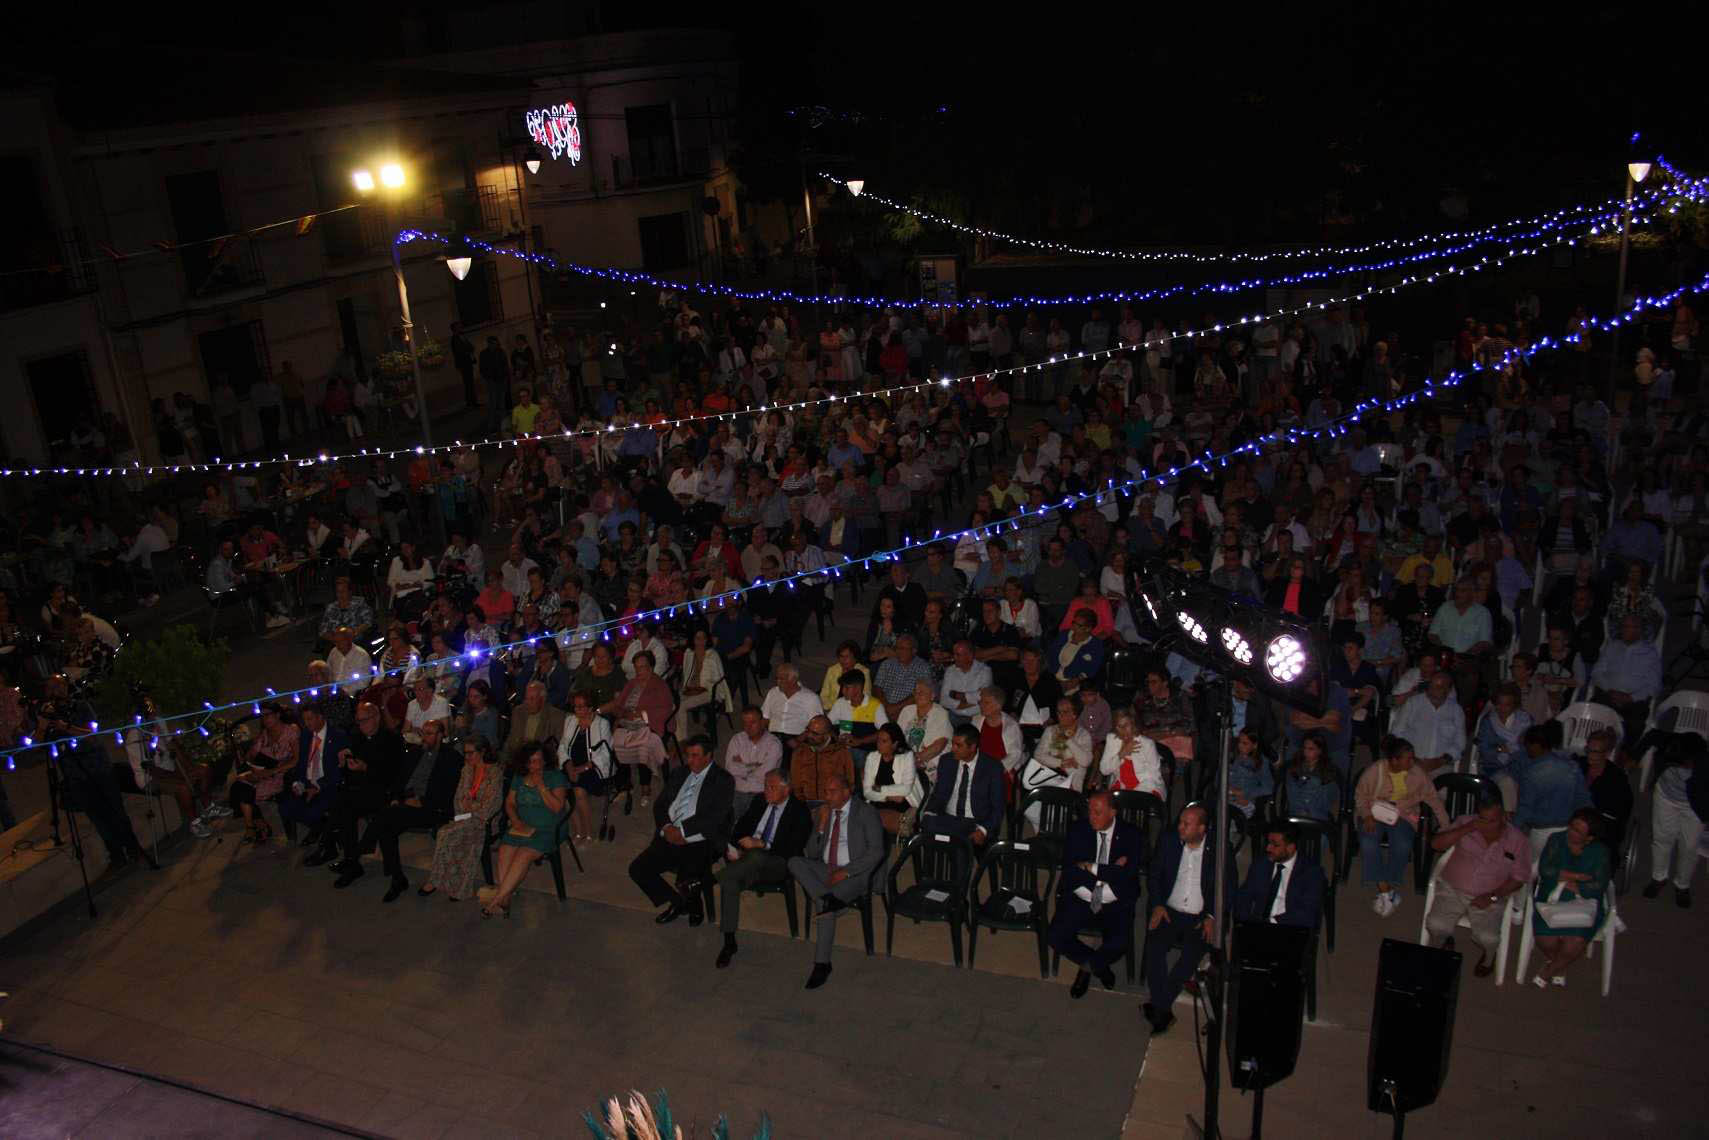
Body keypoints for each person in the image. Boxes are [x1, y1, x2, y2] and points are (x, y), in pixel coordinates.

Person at [787, 771, 884, 989]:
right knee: (795, 862)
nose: (827, 797)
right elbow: (811, 853)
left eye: (832, 792)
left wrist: (847, 871)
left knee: (824, 906)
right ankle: (829, 901)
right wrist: (820, 826)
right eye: (825, 792)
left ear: (847, 792)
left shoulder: (865, 812)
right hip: (825, 868)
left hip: (855, 874)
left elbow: (876, 852)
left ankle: (822, 963)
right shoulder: (825, 812)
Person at [628, 735, 735, 926]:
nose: (690, 760)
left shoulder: (723, 780)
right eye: (688, 755)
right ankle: (678, 902)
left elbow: (715, 817)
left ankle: (694, 905)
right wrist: (668, 827)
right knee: (638, 869)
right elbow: (660, 805)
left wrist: (683, 831)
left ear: (708, 756)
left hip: (701, 839)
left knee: (685, 880)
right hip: (670, 832)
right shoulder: (679, 773)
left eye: (695, 756)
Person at [1423, 796, 1533, 977]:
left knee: (1489, 938)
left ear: (1504, 816)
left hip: (1490, 895)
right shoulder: (1465, 822)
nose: (1488, 825)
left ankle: (1489, 957)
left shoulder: (1517, 840)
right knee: (1436, 925)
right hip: (1453, 888)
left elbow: (1520, 877)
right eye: (1483, 819)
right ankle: (1445, 941)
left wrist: (1493, 896)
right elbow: (1436, 844)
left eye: (1493, 820)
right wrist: (1467, 828)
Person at [1049, 790, 1143, 998]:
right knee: (1055, 935)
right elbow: (1071, 871)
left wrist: (1091, 868)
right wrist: (1111, 872)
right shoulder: (1078, 830)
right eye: (1090, 811)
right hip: (1082, 896)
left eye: (1097, 812)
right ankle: (1099, 967)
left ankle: (1086, 969)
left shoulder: (1131, 835)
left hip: (1115, 900)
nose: (1091, 817)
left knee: (1119, 943)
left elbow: (1127, 875)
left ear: (1113, 812)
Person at [715, 768, 812, 969]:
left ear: (787, 790)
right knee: (731, 880)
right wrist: (739, 849)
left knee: (757, 855)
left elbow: (794, 847)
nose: (766, 791)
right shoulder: (759, 802)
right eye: (765, 786)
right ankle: (729, 941)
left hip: (778, 862)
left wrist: (762, 845)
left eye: (772, 787)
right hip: (748, 861)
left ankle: (708, 881)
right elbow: (739, 829)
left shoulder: (800, 810)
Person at [1142, 804, 1225, 1036]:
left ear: (1201, 828)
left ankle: (1158, 1006)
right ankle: (1162, 1007)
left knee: (1190, 956)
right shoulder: (1169, 841)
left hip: (1200, 917)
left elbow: (1227, 888)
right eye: (1180, 822)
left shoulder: (1217, 850)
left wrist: (1212, 916)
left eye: (1186, 824)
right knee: (1155, 946)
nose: (1180, 827)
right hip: (1170, 910)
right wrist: (1158, 904)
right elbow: (1155, 874)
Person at [360, 718, 464, 902]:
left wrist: (422, 802)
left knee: (385, 819)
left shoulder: (451, 758)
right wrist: (396, 798)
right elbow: (400, 779)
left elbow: (447, 791)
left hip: (431, 808)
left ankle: (365, 849)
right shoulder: (415, 753)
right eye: (423, 733)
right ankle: (397, 878)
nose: (425, 737)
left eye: (430, 733)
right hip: (405, 803)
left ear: (441, 736)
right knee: (387, 824)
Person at [311, 700, 407, 889]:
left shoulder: (391, 739)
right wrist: (346, 760)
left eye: (364, 720)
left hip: (381, 791)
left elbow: (393, 774)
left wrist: (366, 767)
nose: (361, 725)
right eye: (358, 721)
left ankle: (348, 857)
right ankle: (349, 858)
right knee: (342, 806)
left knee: (345, 808)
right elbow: (352, 763)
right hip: (359, 789)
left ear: (376, 718)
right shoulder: (358, 736)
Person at [1354, 736, 1448, 917]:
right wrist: (1366, 815)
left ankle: (1388, 885)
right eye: (1408, 758)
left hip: (1404, 813)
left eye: (1413, 758)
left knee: (1403, 843)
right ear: (1394, 760)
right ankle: (1385, 890)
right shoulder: (1375, 771)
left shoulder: (1417, 773)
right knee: (1368, 841)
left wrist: (1445, 825)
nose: (1412, 761)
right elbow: (1360, 796)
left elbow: (1432, 798)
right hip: (1375, 811)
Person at [481, 742, 570, 918]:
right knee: (505, 850)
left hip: (547, 828)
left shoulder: (556, 777)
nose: (534, 765)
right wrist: (515, 820)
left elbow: (557, 808)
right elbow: (510, 803)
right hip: (521, 827)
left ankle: (495, 900)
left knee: (523, 854)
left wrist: (541, 787)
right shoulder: (520, 777)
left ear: (545, 761)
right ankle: (504, 900)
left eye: (538, 761)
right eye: (530, 762)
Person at [1528, 808, 1611, 988]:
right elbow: (1545, 870)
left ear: (1589, 838)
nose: (1571, 832)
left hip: (1584, 902)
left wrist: (1565, 879)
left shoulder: (1600, 852)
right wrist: (1576, 877)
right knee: (1545, 939)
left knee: (1574, 941)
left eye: (1578, 831)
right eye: (1572, 827)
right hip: (1551, 896)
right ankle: (1560, 965)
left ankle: (1549, 970)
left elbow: (1597, 886)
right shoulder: (1556, 840)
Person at [420, 735, 504, 900]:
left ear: (482, 752)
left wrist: (471, 807)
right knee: (453, 834)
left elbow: (491, 805)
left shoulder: (494, 773)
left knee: (446, 834)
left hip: (485, 822)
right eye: (465, 753)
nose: (467, 757)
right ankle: (453, 884)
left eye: (471, 753)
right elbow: (458, 799)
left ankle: (436, 880)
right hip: (464, 818)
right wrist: (470, 809)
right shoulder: (466, 769)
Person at [1643, 730, 1705, 907]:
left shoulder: (1705, 764)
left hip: (1693, 805)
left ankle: (1682, 885)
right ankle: (1659, 877)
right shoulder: (1668, 744)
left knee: (1690, 846)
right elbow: (1651, 735)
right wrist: (1633, 755)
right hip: (1665, 796)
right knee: (1662, 838)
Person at [227, 702, 300, 844]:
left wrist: (272, 770)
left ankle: (254, 827)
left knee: (243, 790)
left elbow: (296, 760)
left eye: (268, 715)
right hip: (261, 771)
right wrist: (249, 757)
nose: (264, 719)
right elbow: (251, 754)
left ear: (278, 715)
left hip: (280, 774)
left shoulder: (290, 731)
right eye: (262, 716)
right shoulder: (265, 734)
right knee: (238, 786)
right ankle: (258, 824)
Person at [1234, 820, 1327, 931]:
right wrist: (1246, 921)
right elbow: (1245, 894)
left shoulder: (1311, 873)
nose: (1268, 848)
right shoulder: (1261, 863)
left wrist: (1272, 922)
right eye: (1268, 843)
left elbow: (1307, 912)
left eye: (1275, 845)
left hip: (1290, 927)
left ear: (1290, 848)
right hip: (1259, 925)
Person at [920, 724, 1004, 845]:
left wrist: (983, 830)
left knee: (959, 845)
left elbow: (998, 807)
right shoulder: (946, 761)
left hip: (976, 822)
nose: (953, 749)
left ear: (972, 747)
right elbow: (938, 794)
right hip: (949, 818)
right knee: (927, 826)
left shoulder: (992, 767)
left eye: (958, 745)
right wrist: (929, 812)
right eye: (953, 743)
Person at [276, 703, 347, 844]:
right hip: (307, 782)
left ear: (320, 717)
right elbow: (302, 763)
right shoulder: (306, 736)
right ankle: (318, 826)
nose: (307, 723)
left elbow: (338, 770)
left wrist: (318, 787)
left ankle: (322, 829)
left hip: (326, 785)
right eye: (304, 720)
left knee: (313, 809)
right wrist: (299, 783)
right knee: (286, 806)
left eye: (310, 719)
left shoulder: (337, 736)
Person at [1512, 725, 1593, 834]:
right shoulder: (1572, 767)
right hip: (1568, 829)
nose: (1526, 749)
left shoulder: (1531, 774)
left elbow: (1525, 810)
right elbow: (1583, 800)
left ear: (1536, 745)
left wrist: (1511, 831)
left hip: (1540, 830)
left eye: (1527, 745)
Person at [557, 692, 614, 844]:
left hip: (594, 768)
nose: (577, 711)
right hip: (571, 765)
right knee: (562, 788)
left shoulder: (602, 724)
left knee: (578, 791)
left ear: (591, 708)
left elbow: (605, 754)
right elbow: (562, 746)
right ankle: (577, 831)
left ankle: (588, 831)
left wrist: (581, 769)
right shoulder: (570, 720)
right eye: (575, 707)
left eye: (581, 707)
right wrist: (569, 766)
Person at [1389, 672, 1466, 772]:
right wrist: (1413, 759)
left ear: (1448, 690)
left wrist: (1440, 761)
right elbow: (1396, 733)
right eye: (1432, 685)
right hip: (1410, 763)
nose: (1433, 689)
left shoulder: (1456, 710)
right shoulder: (1413, 703)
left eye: (1439, 686)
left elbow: (1460, 743)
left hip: (1441, 765)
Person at [862, 721, 923, 833]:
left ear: (894, 744)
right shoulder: (872, 757)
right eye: (878, 740)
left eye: (884, 741)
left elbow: (905, 790)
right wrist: (888, 796)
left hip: (903, 805)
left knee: (874, 821)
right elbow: (867, 792)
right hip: (877, 803)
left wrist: (878, 788)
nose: (879, 744)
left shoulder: (907, 757)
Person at [723, 705, 782, 818]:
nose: (748, 727)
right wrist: (754, 766)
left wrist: (742, 767)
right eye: (745, 723)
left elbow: (764, 775)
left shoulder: (774, 744)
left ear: (762, 722)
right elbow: (730, 769)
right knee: (727, 825)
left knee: (755, 827)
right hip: (737, 791)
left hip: (761, 793)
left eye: (752, 722)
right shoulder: (736, 740)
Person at [787, 714, 855, 807]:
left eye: (815, 733)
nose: (810, 735)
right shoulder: (800, 752)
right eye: (808, 731)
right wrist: (801, 804)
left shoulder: (841, 752)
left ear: (827, 735)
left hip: (832, 805)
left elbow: (850, 783)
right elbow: (795, 783)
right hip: (805, 804)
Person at [758, 663, 822, 749]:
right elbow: (765, 717)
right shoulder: (773, 692)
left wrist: (798, 740)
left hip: (796, 736)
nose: (778, 682)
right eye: (777, 678)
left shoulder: (811, 698)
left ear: (794, 679)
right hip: (773, 736)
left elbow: (818, 725)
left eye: (782, 679)